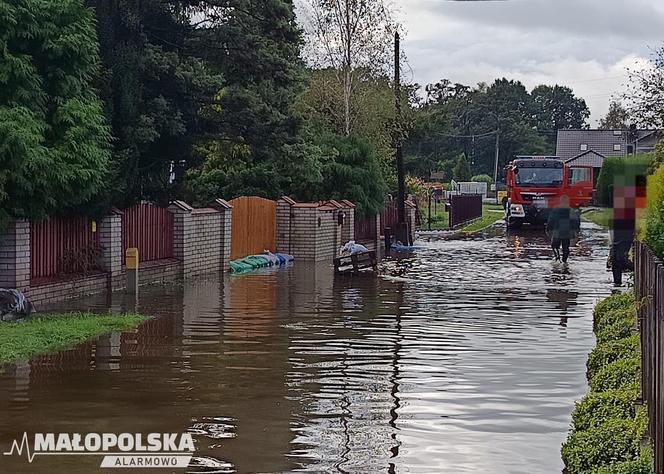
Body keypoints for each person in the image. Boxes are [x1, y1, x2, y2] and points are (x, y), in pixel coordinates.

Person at [546, 195, 580, 263]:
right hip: (567, 232)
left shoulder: (556, 210)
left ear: (560, 202)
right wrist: (576, 230)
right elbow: (576, 221)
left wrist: (548, 229)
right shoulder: (571, 211)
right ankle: (564, 261)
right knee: (565, 248)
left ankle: (557, 257)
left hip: (557, 232)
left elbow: (551, 221)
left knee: (554, 246)